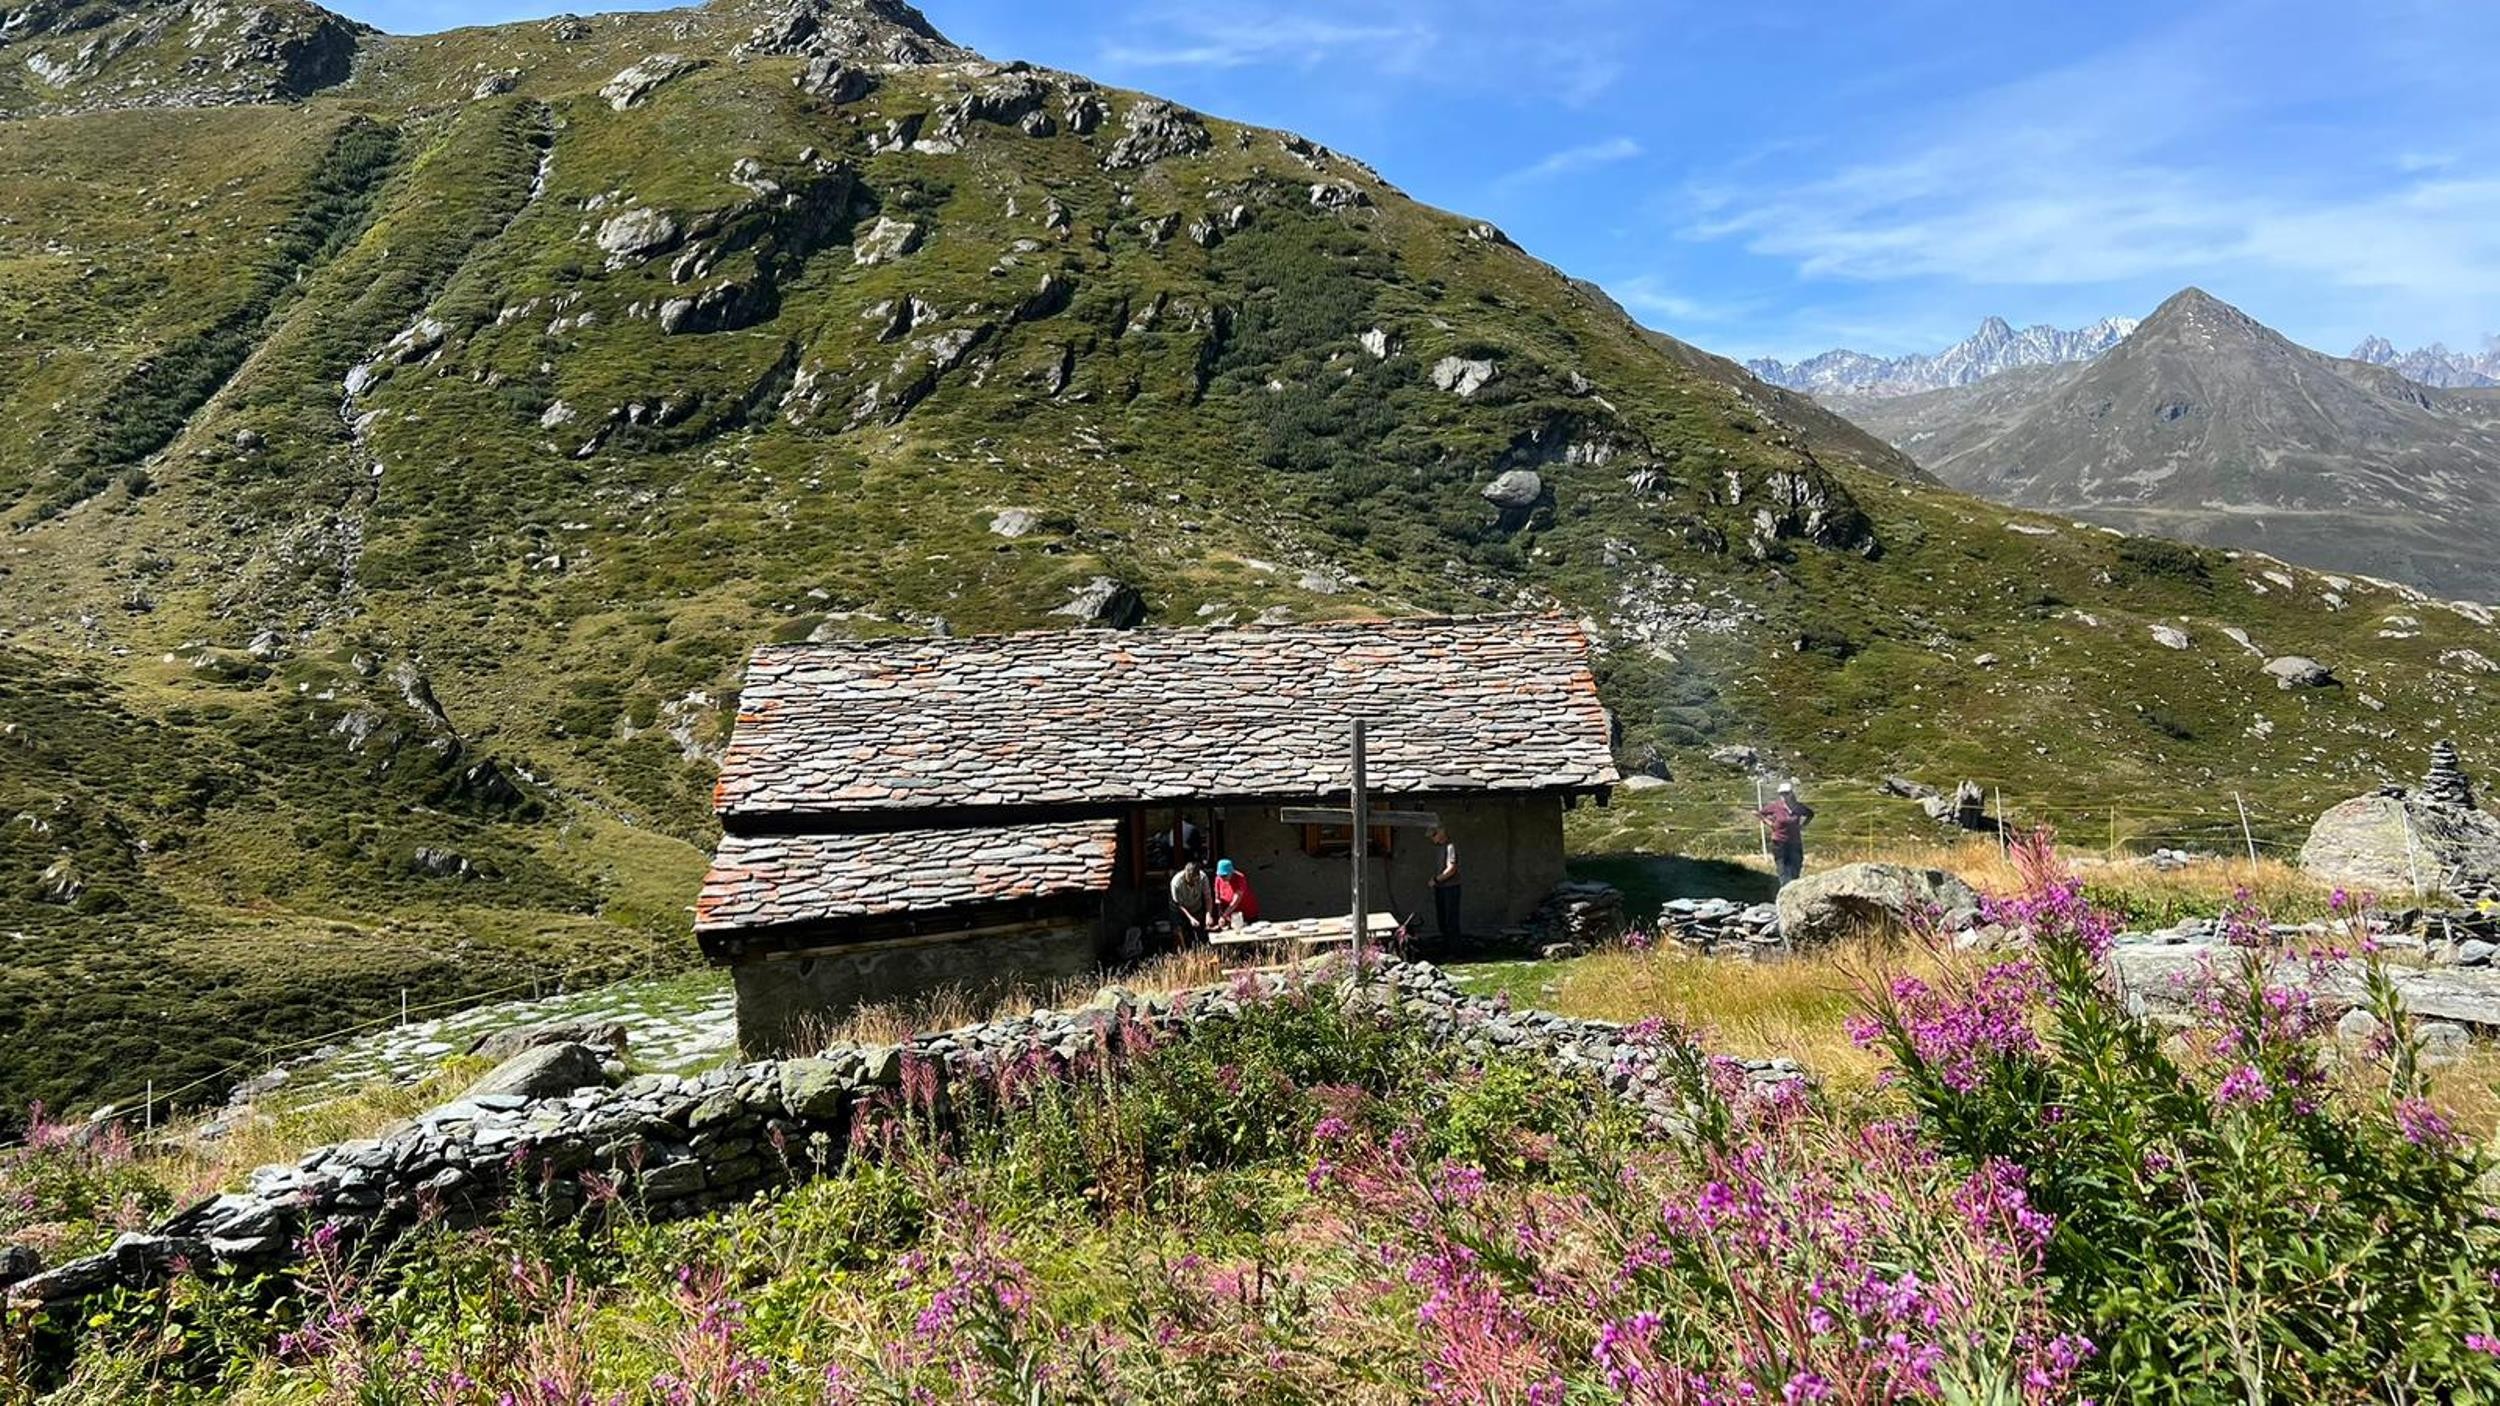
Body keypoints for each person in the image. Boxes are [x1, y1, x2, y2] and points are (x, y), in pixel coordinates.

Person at [1757, 781, 1815, 887]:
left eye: (1786, 793)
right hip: (1779, 842)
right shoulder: (1775, 806)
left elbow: (1810, 814)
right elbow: (1759, 813)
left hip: (1795, 842)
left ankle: (1793, 888)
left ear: (1791, 793)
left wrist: (1803, 825)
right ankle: (1784, 889)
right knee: (1782, 867)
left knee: (1796, 866)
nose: (1784, 796)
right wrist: (1770, 823)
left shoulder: (1798, 807)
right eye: (1782, 793)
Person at [1428, 826, 1461, 942]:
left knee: (1450, 920)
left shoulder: (1450, 847)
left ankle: (1455, 951)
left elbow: (1451, 869)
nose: (1432, 838)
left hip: (1451, 888)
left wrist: (1436, 879)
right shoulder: (1439, 848)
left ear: (1441, 833)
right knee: (1442, 920)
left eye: (1433, 835)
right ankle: (1447, 948)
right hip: (1441, 888)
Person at [1168, 855, 1210, 946]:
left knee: (1198, 932)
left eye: (1196, 881)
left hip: (1196, 906)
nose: (1194, 883)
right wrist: (1190, 918)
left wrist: (1208, 914)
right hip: (1179, 909)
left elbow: (1207, 897)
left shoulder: (1203, 878)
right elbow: (1179, 904)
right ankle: (1182, 953)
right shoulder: (1176, 883)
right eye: (1191, 882)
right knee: (1178, 932)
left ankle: (1198, 950)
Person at [1211, 858, 1260, 929]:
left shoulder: (1240, 878)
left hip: (1247, 913)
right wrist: (1220, 915)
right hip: (1231, 916)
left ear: (1231, 872)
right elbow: (1217, 899)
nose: (1222, 878)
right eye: (1221, 876)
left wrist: (1224, 916)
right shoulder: (1218, 879)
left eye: (1225, 875)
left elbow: (1235, 901)